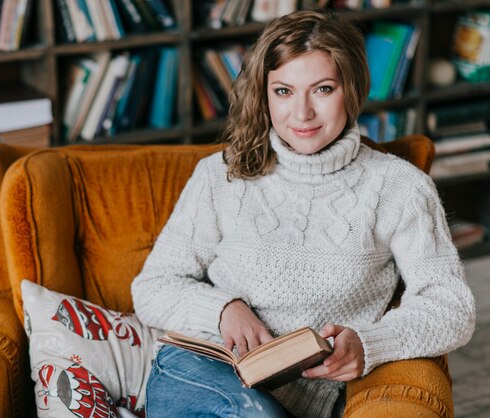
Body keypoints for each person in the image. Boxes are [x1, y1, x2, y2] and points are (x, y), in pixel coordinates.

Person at [131, 9, 476, 418]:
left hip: (299, 396)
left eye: (323, 89)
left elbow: (451, 306)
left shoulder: (398, 188)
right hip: (199, 368)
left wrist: (369, 344)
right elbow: (152, 287)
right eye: (283, 91)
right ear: (264, 94)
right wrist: (222, 309)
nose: (302, 114)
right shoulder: (220, 175)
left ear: (352, 88)